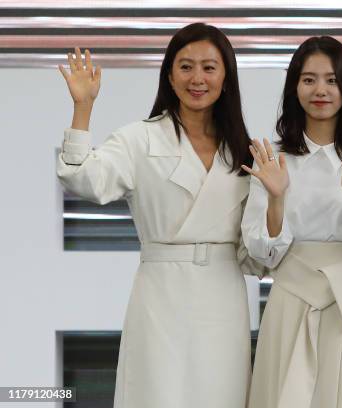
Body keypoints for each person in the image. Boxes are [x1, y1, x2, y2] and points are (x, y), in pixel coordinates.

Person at [56, 23, 262, 408]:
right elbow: (85, 179)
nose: (197, 78)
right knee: (157, 394)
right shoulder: (140, 138)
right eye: (185, 67)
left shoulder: (244, 152)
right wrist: (83, 107)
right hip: (160, 297)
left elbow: (258, 247)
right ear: (169, 74)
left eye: (209, 67)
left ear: (226, 76)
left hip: (224, 298)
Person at [240, 36, 342, 408]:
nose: (321, 90)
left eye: (332, 80)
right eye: (309, 79)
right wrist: (277, 198)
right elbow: (261, 253)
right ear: (294, 86)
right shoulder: (272, 158)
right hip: (290, 300)